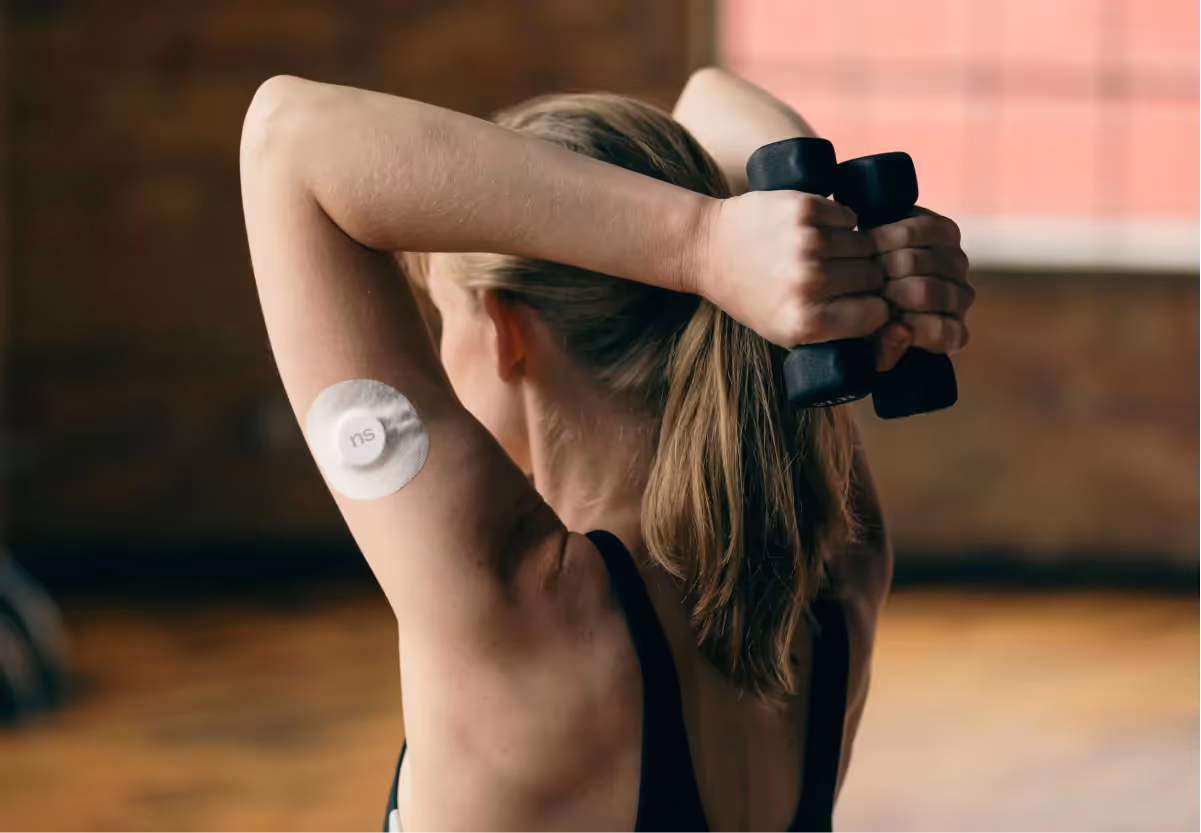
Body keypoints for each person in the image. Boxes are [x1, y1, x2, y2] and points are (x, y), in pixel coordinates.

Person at [239, 67, 973, 833]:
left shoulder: (516, 608)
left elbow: (285, 138)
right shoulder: (832, 564)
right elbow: (712, 96)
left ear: (504, 329)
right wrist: (836, 255)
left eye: (440, 312)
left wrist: (703, 244)